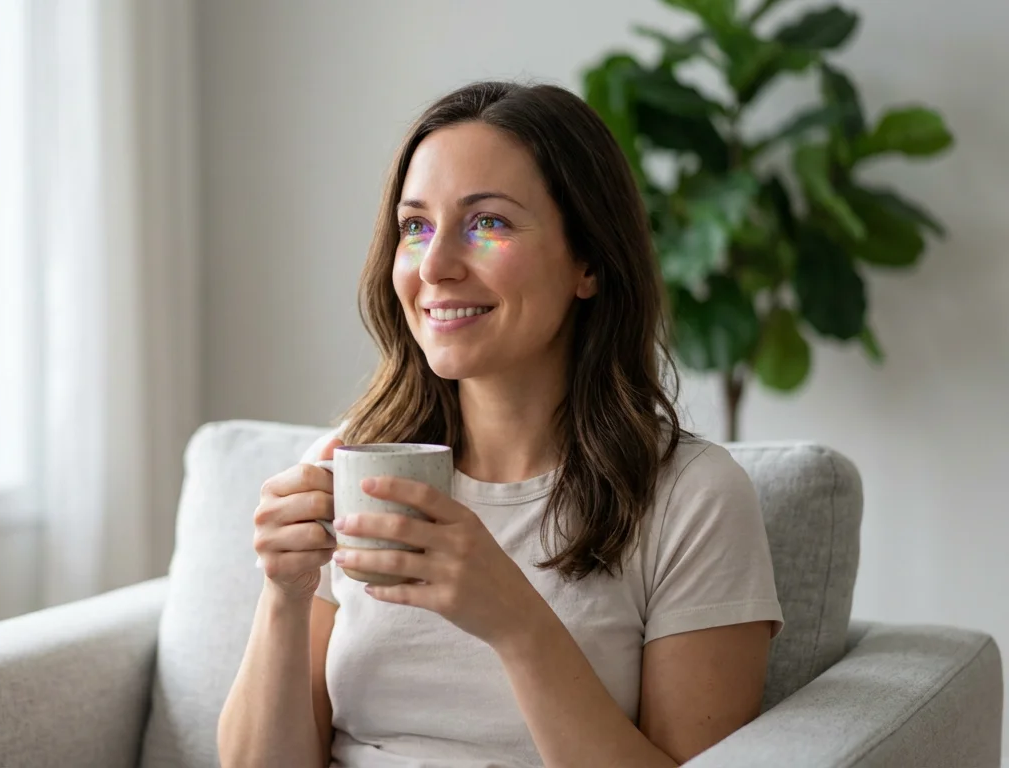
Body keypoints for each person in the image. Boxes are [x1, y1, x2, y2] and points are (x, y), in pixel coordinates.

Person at [217, 80, 784, 768]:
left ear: (590, 263)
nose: (435, 266)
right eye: (415, 226)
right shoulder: (349, 466)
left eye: (488, 223)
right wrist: (283, 597)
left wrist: (514, 622)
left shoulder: (691, 496)